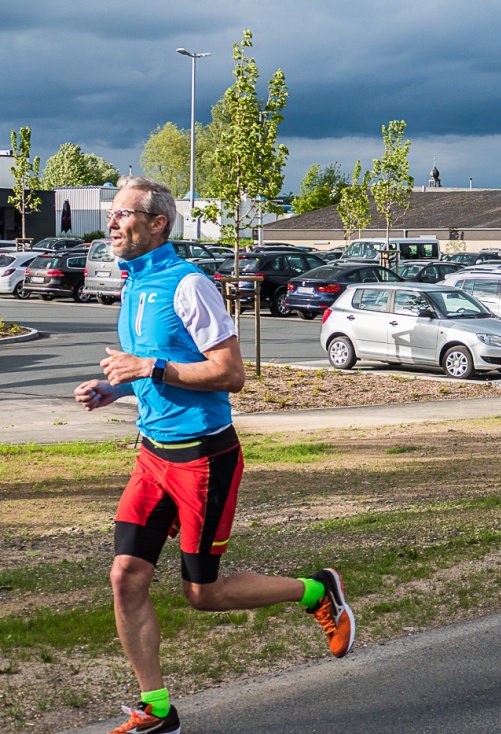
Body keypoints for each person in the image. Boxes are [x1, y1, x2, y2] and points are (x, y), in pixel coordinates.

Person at [74, 176, 355, 734]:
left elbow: (231, 375)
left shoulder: (188, 285)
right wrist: (118, 387)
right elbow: (155, 367)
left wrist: (147, 369)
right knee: (125, 575)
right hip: (152, 455)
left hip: (204, 459)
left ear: (158, 223)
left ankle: (319, 590)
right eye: (111, 213)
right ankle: (156, 708)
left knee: (202, 593)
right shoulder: (134, 285)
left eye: (124, 213)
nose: (112, 222)